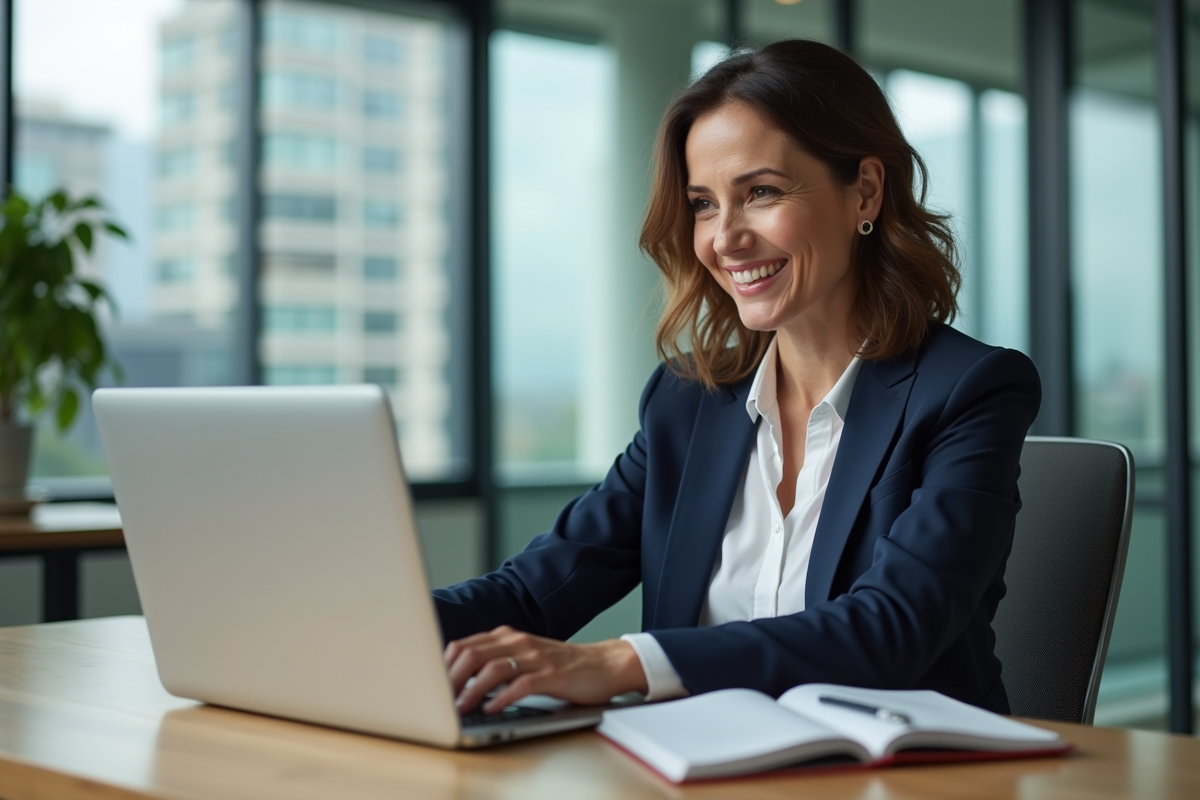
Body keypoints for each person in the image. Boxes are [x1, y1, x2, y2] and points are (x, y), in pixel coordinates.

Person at [435, 39, 1040, 717]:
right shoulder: (688, 402)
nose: (724, 239)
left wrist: (621, 661)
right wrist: (360, 628)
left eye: (760, 193)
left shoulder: (968, 390)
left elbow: (890, 629)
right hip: (694, 768)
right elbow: (530, 593)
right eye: (702, 204)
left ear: (865, 190)